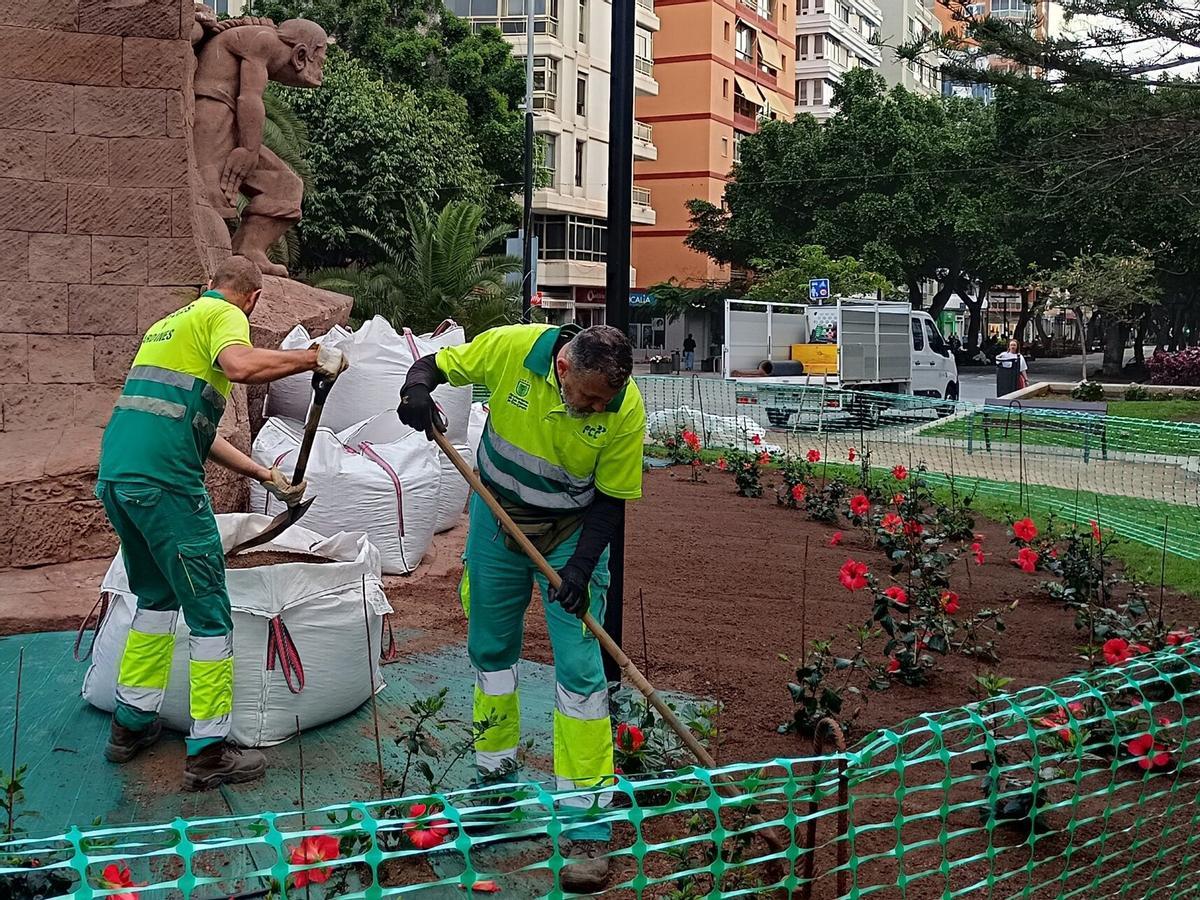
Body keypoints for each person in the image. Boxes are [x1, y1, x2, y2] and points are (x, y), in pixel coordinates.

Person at [397, 323, 645, 893]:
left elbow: (611, 502)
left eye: (602, 403)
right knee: (491, 653)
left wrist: (581, 569)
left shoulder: (623, 408)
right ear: (562, 368)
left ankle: (587, 820)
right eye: (587, 397)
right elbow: (437, 365)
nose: (593, 410)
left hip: (569, 533)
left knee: (583, 673)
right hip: (496, 519)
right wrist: (416, 389)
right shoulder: (514, 348)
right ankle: (495, 788)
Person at [96, 256, 348, 790]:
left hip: (120, 479)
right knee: (211, 613)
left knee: (157, 600)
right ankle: (209, 752)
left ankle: (131, 724)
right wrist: (311, 358)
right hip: (166, 485)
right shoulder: (226, 316)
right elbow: (237, 365)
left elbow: (197, 431)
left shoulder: (169, 326)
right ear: (251, 298)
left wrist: (265, 474)